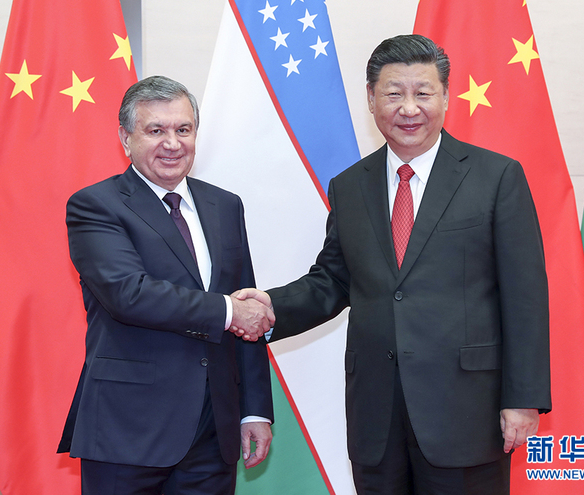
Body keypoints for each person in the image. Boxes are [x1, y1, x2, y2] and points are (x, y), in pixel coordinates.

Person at [235, 35, 551, 494]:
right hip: (376, 416)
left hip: (466, 412)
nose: (409, 108)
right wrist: (269, 307)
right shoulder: (349, 186)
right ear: (370, 98)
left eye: (423, 93)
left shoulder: (496, 177)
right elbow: (333, 281)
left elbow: (525, 296)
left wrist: (522, 400)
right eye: (393, 93)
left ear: (445, 96)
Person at [57, 76, 275, 495]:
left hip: (214, 431)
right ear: (125, 137)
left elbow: (246, 301)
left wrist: (254, 411)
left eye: (183, 130)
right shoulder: (95, 205)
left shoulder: (225, 205)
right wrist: (228, 311)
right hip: (128, 429)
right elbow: (129, 294)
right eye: (155, 131)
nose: (172, 143)